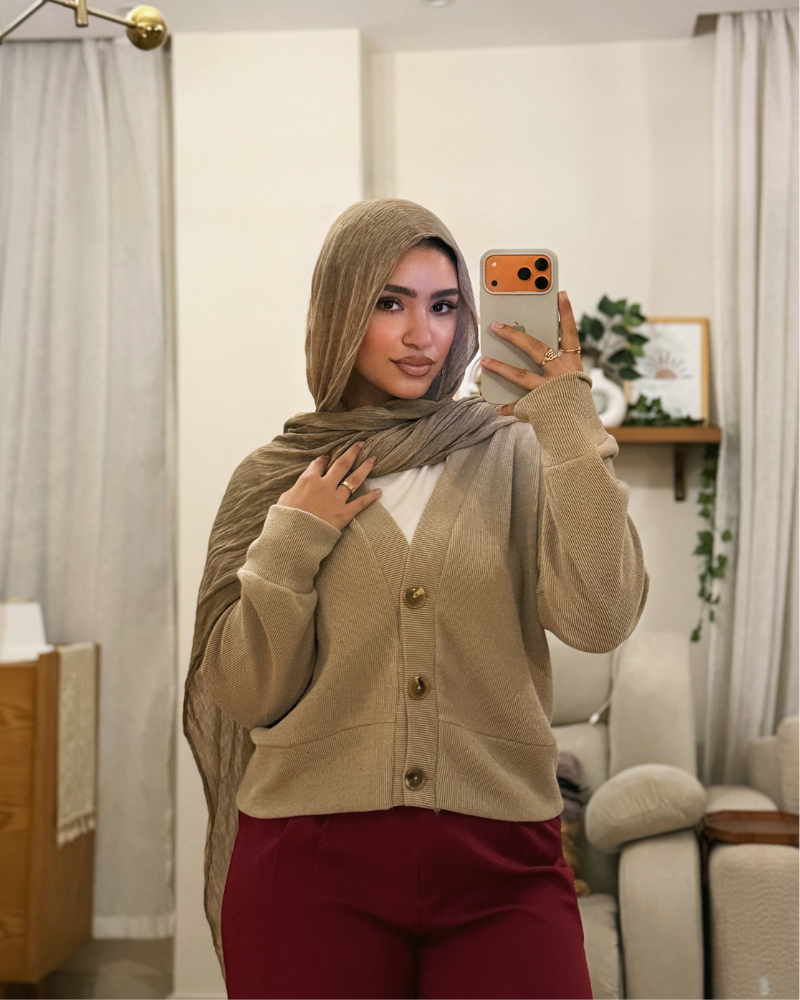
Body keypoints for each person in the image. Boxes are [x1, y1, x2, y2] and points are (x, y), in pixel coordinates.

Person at [184, 198, 648, 1000]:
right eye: (389, 303)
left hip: (503, 859)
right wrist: (292, 541)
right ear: (339, 311)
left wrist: (570, 428)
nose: (420, 334)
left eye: (442, 306)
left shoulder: (517, 454)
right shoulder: (276, 478)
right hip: (309, 860)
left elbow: (601, 618)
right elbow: (244, 692)